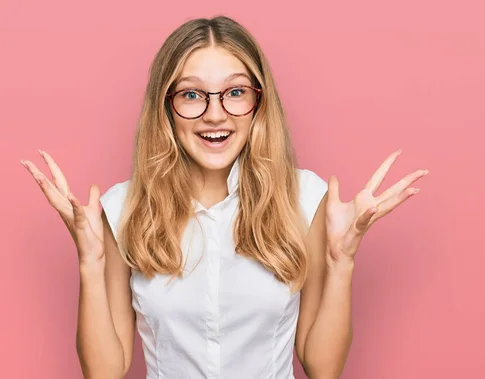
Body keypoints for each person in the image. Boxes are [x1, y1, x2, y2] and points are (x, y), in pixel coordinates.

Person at [21, 16, 428, 379]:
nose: (215, 115)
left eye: (234, 93)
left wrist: (342, 262)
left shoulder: (305, 200)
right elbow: (105, 372)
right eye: (192, 95)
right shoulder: (121, 209)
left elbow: (322, 368)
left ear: (258, 103)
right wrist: (90, 262)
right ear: (166, 108)